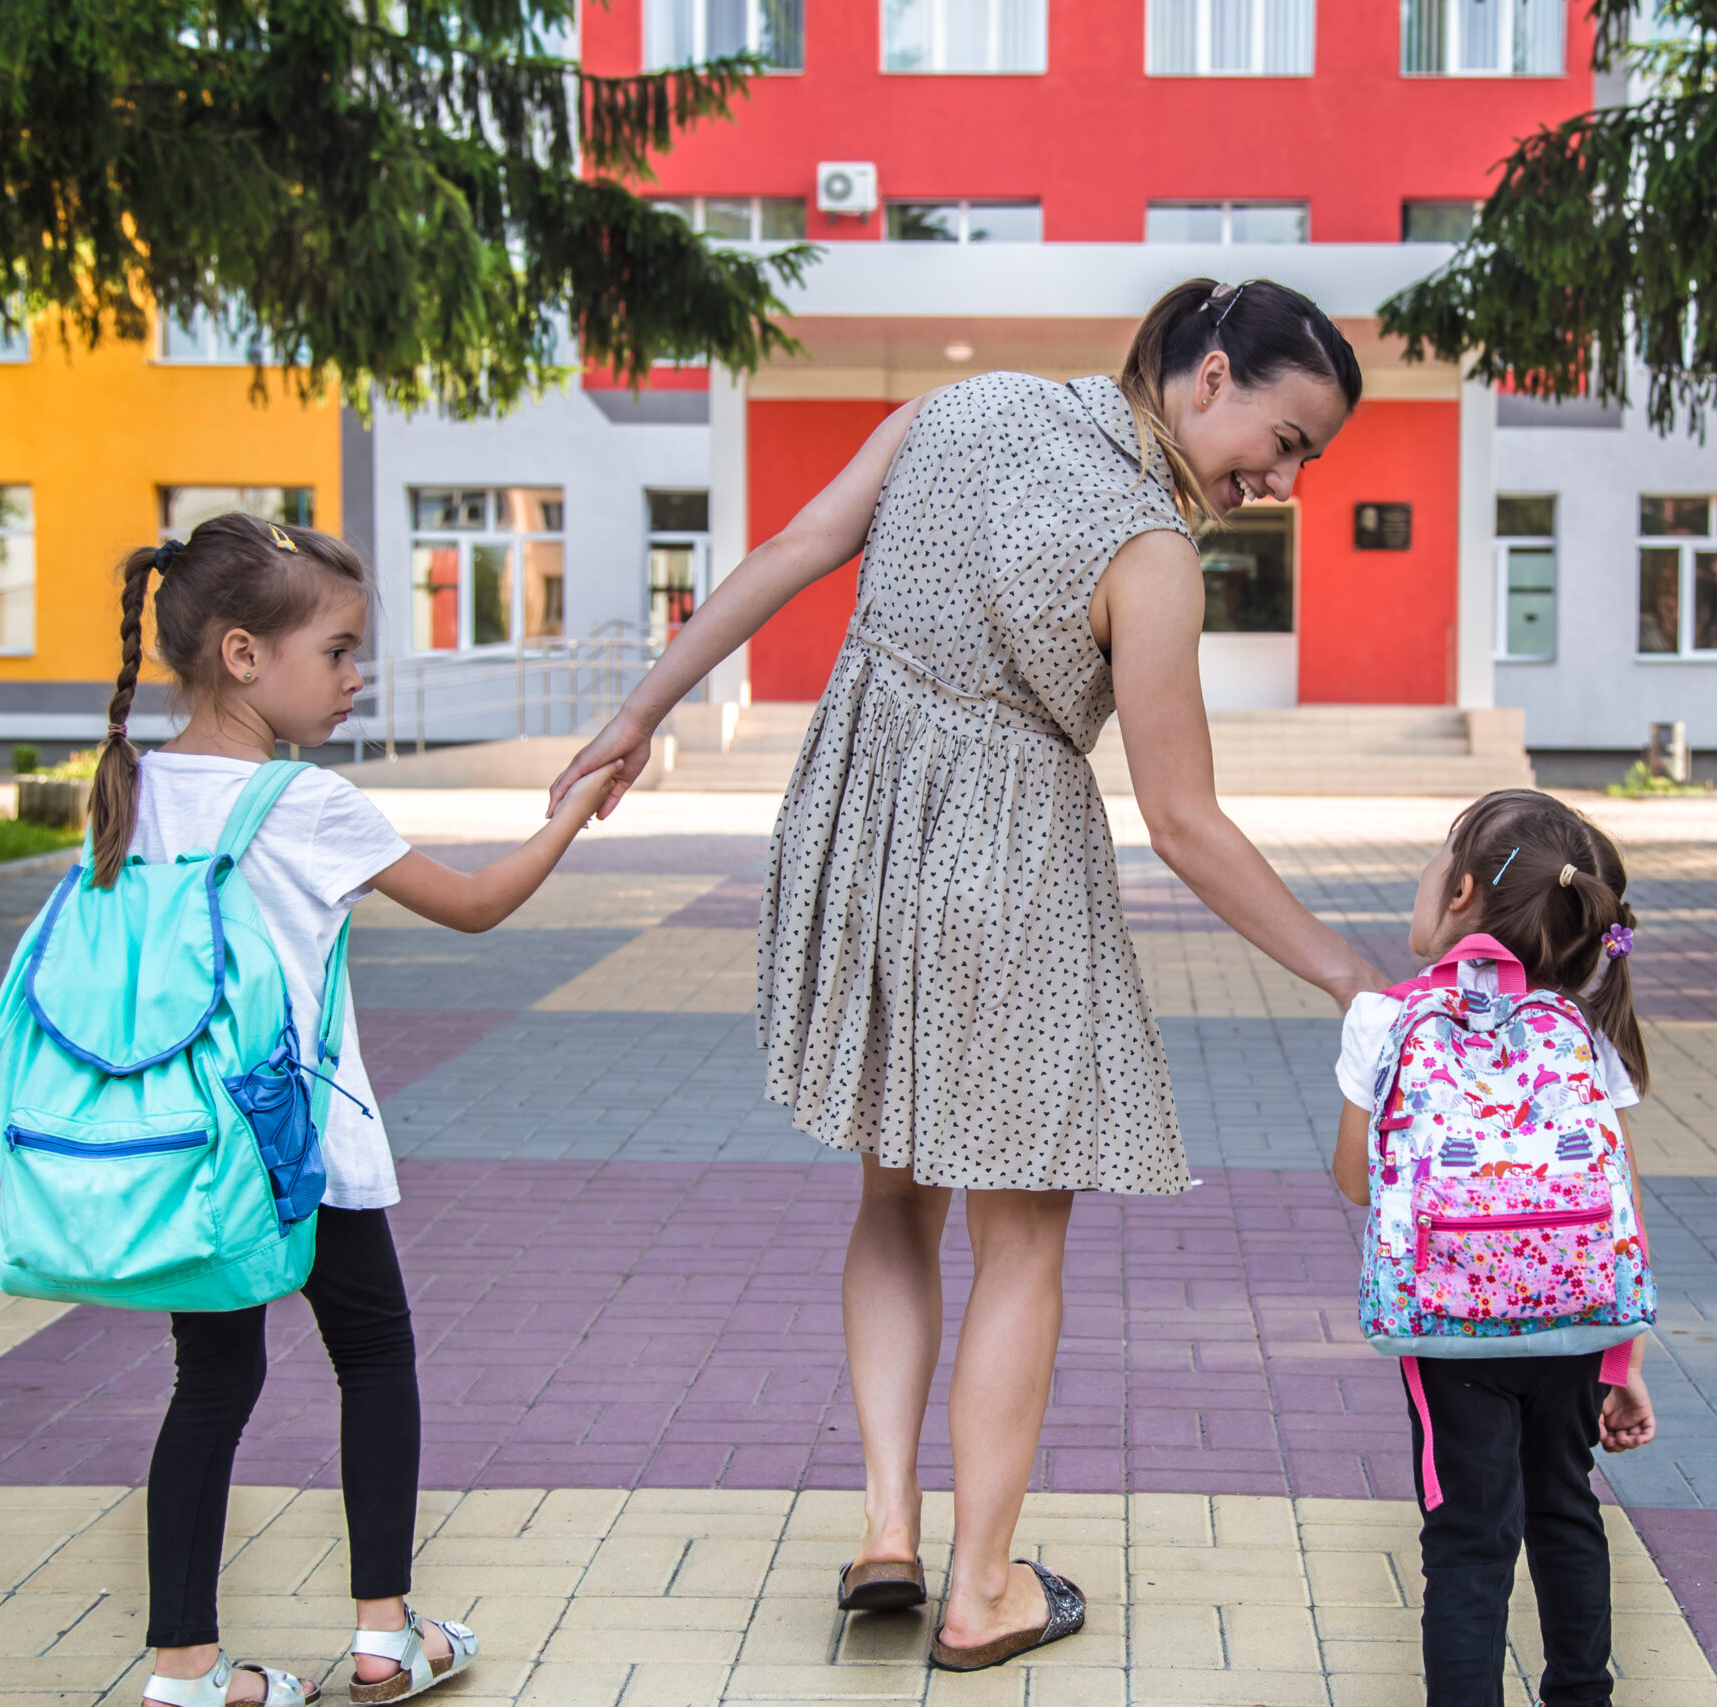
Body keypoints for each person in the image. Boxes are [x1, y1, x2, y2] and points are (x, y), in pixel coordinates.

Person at [550, 278, 1383, 1671]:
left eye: (1308, 460)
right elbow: (1184, 822)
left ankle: (889, 1522)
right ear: (1211, 375)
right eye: (1287, 439)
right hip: (1006, 870)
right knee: (1025, 1237)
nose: (1286, 480)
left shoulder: (962, 407)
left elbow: (794, 547)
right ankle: (983, 1584)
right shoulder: (1154, 553)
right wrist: (1355, 973)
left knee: (892, 1189)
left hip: (862, 827)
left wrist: (640, 708)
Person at [93, 513, 616, 1707]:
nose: (353, 675)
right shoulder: (300, 803)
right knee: (373, 1354)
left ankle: (184, 1667)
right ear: (242, 655)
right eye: (334, 651)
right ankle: (386, 1635)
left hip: (185, 1146)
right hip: (302, 1145)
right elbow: (477, 903)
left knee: (209, 1385)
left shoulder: (133, 785)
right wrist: (573, 809)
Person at [1328, 789, 1660, 1707]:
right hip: (1576, 1324)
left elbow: (1358, 1182)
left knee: (1469, 1537)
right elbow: (1616, 1201)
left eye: (1436, 862)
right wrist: (1622, 1354)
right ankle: (1581, 1696)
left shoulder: (1383, 1018)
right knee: (1566, 1508)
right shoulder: (1585, 1026)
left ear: (1464, 890)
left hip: (1448, 1329)